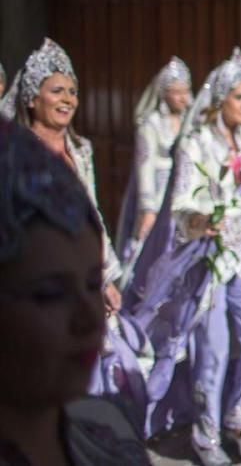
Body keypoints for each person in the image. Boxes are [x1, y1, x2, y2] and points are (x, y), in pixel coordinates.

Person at [128, 48, 241, 466]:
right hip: (203, 258)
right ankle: (206, 437)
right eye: (240, 97)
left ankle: (238, 414)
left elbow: (240, 205)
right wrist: (201, 218)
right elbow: (181, 204)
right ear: (220, 98)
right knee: (214, 350)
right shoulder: (195, 143)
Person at [0, 39, 151, 429]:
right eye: (57, 90)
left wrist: (104, 278)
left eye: (73, 91)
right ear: (32, 99)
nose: (68, 98)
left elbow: (92, 217)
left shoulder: (80, 150)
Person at [116, 57, 192, 287]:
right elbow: (145, 164)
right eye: (176, 92)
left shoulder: (190, 122)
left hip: (181, 194)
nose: (182, 97)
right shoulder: (151, 124)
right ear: (163, 93)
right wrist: (147, 208)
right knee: (150, 247)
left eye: (185, 91)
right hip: (158, 195)